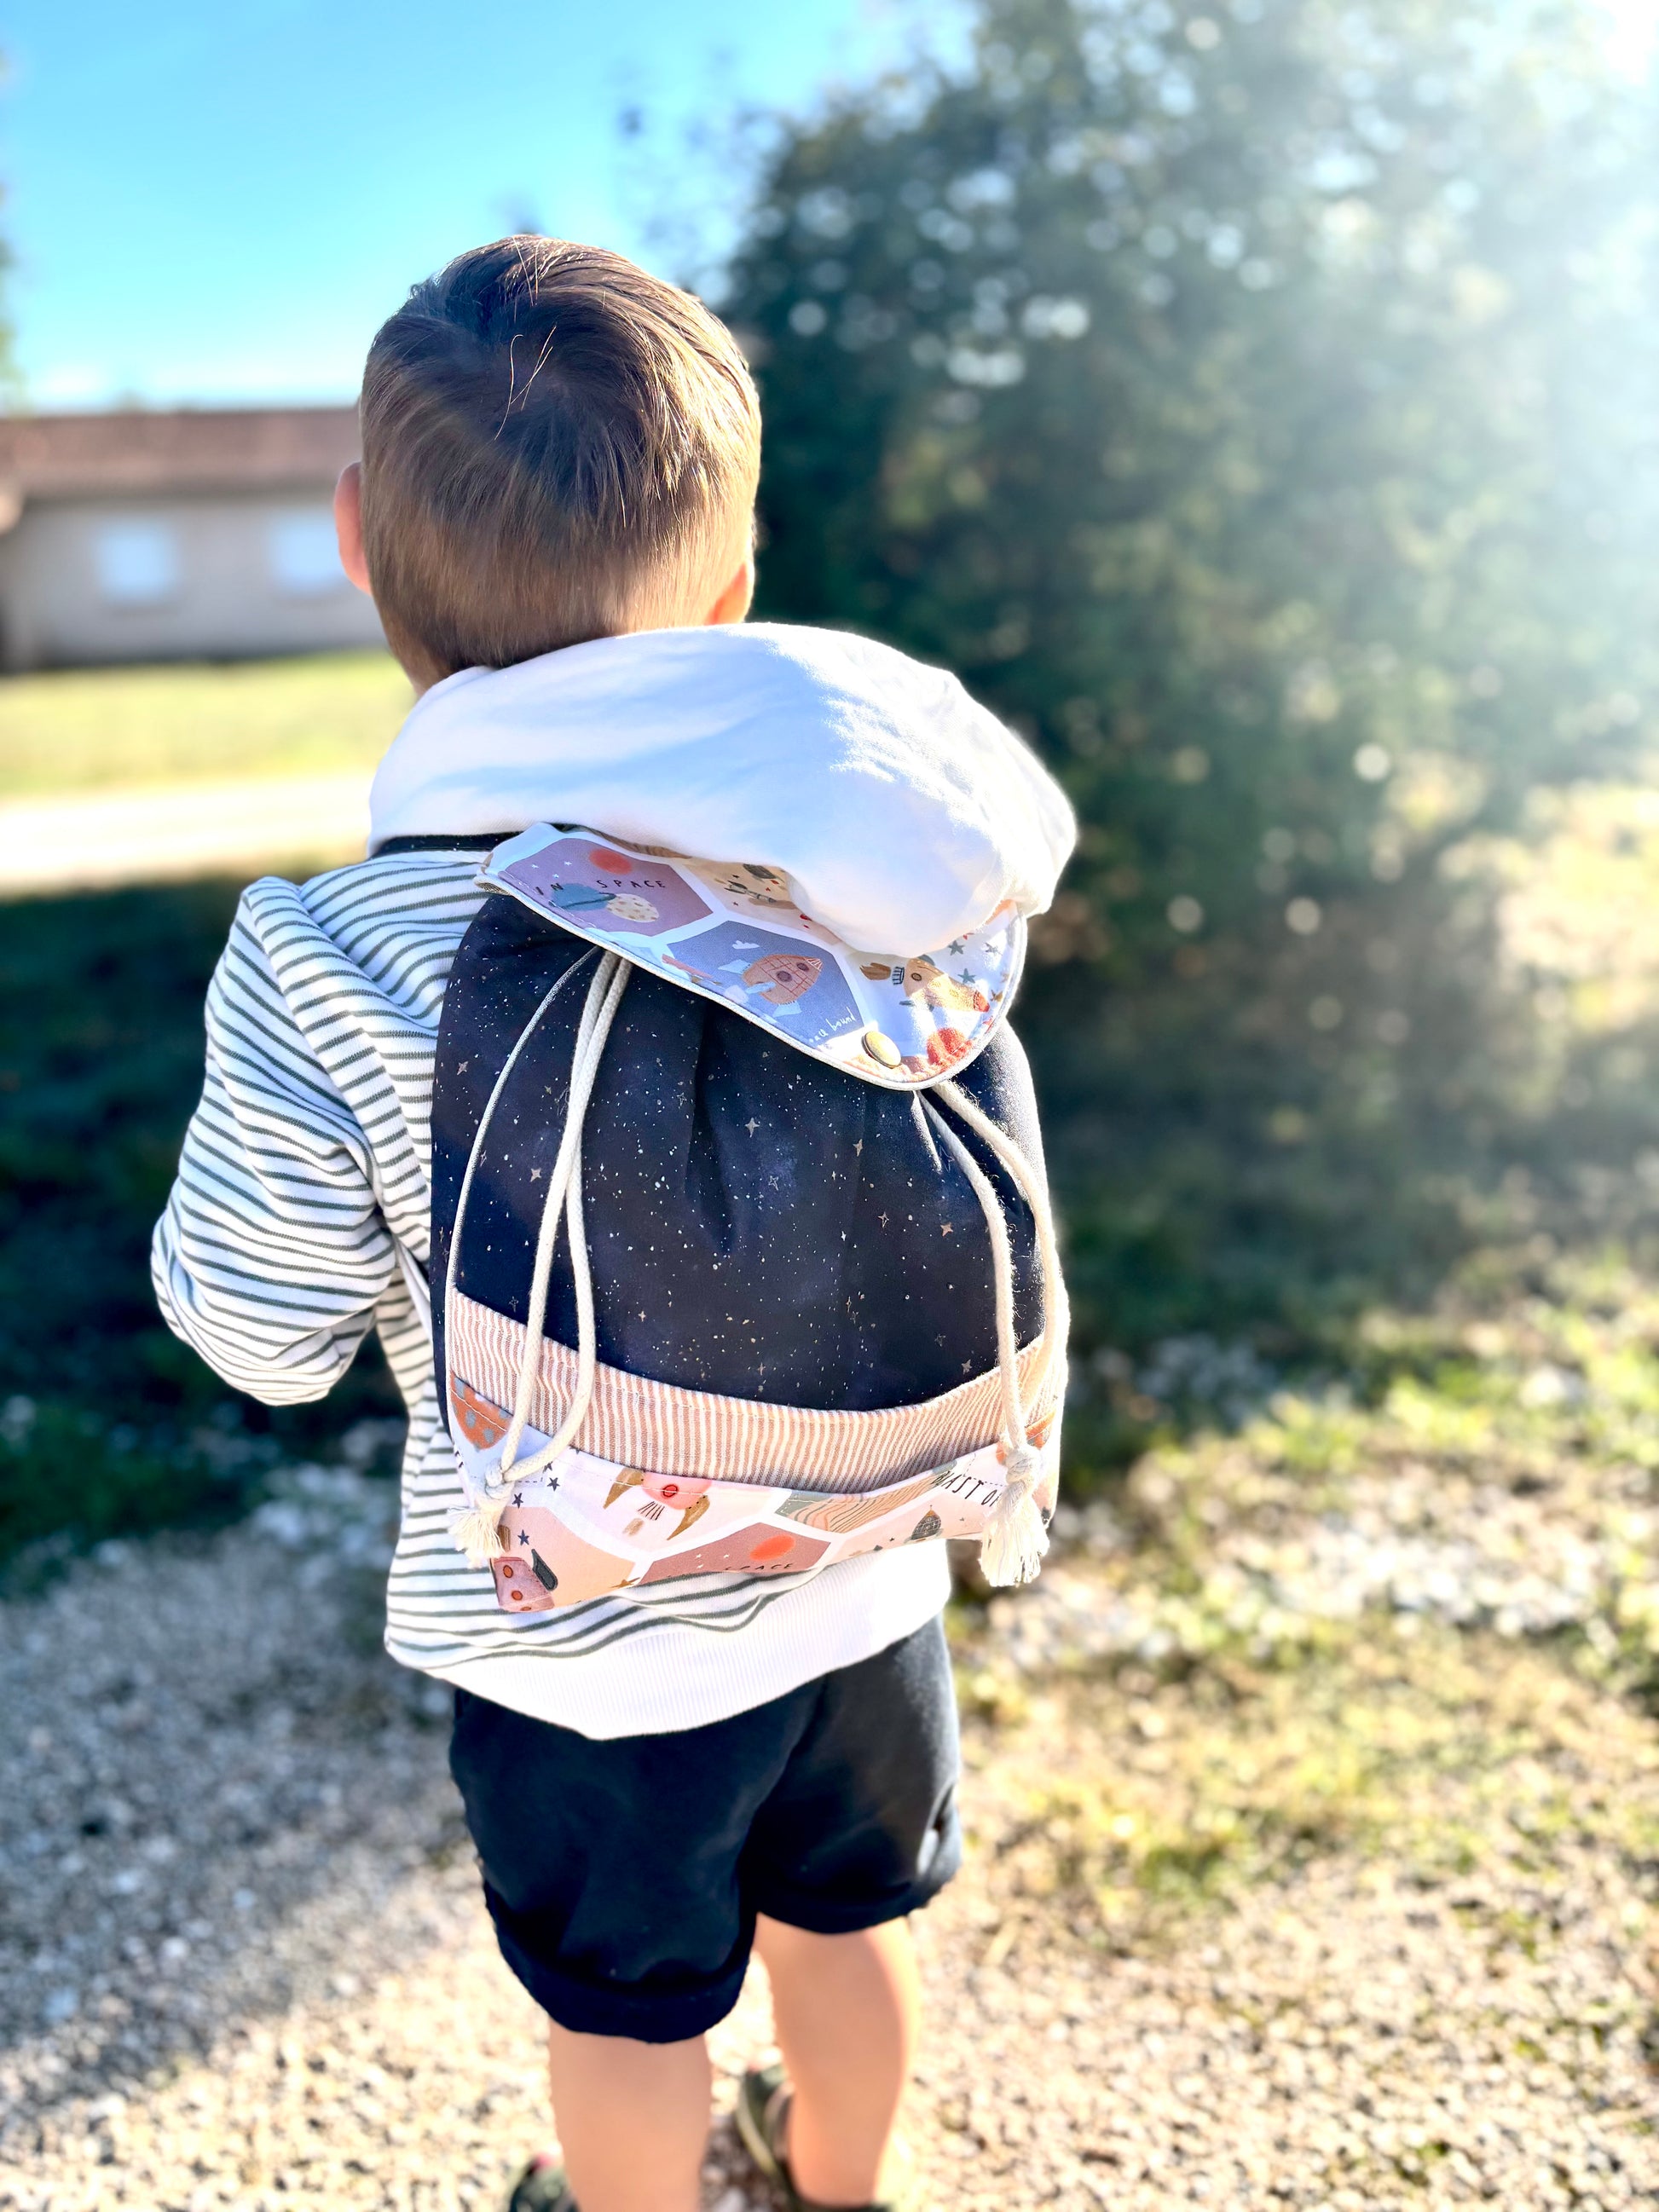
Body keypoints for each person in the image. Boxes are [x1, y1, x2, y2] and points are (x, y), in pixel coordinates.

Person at [153, 237, 1073, 2212]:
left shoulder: (330, 954)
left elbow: (259, 1332)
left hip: (572, 1640)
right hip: (863, 1563)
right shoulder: (867, 881)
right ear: (729, 591)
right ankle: (841, 2186)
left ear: (354, 542)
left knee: (627, 2014)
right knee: (848, 1926)